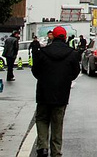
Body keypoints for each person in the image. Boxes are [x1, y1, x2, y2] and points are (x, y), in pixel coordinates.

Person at [31, 25, 81, 157]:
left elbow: (35, 71)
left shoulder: (42, 52)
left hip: (43, 92)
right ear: (64, 37)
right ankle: (56, 151)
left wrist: (43, 79)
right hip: (61, 93)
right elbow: (75, 72)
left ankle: (42, 147)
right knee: (57, 123)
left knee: (41, 119)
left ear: (52, 36)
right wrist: (65, 80)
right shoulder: (72, 54)